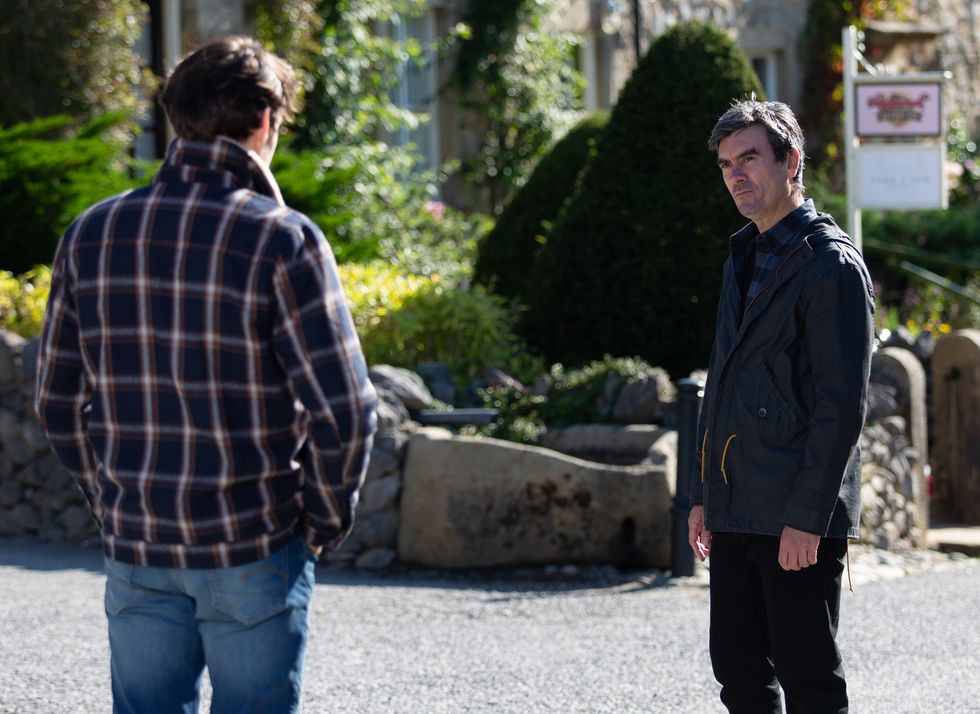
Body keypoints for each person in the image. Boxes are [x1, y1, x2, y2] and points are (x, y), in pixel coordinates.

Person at [34, 36, 378, 714]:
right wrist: (320, 520)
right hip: (254, 537)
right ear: (264, 121)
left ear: (176, 118)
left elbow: (54, 402)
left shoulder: (91, 233)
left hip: (139, 538)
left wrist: (111, 497)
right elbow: (346, 411)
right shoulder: (285, 239)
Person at [688, 99, 874, 714]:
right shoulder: (742, 256)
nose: (735, 175)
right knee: (738, 675)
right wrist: (702, 496)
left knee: (809, 679)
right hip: (735, 506)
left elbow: (840, 405)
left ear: (791, 162)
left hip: (793, 515)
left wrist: (808, 517)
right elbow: (723, 386)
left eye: (749, 158)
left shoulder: (831, 266)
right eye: (725, 164)